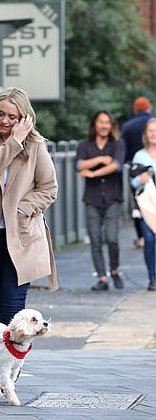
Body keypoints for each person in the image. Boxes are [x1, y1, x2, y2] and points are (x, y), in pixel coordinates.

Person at [0, 87, 58, 326]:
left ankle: (12, 364)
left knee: (13, 310)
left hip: (21, 235)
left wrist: (23, 209)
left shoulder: (35, 145)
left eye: (11, 117)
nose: (4, 120)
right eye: (0, 113)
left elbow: (48, 188)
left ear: (24, 118)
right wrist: (14, 141)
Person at [76, 110, 126, 291]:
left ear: (111, 125)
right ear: (94, 124)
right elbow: (79, 165)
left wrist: (93, 172)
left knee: (112, 238)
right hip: (92, 199)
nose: (104, 125)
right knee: (95, 240)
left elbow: (116, 165)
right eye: (101, 122)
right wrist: (101, 159)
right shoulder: (84, 145)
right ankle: (102, 278)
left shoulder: (118, 144)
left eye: (108, 122)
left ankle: (114, 269)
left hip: (113, 198)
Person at [122, 97, 153, 248]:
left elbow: (123, 150)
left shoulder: (128, 126)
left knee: (138, 204)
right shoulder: (153, 123)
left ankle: (141, 235)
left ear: (135, 109)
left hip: (135, 170)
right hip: (150, 169)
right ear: (149, 108)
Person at [129, 117, 156, 291]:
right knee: (149, 239)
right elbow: (132, 182)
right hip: (148, 206)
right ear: (146, 134)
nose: (154, 134)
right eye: (151, 131)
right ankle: (152, 277)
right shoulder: (139, 155)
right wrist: (141, 178)